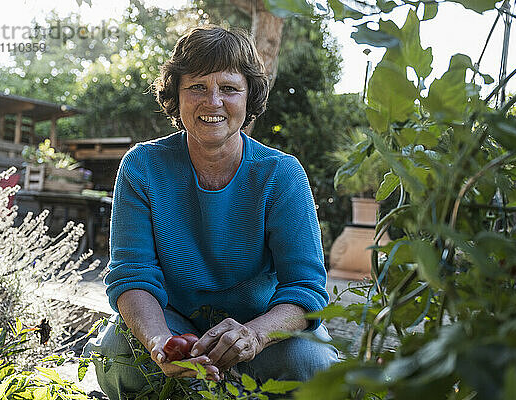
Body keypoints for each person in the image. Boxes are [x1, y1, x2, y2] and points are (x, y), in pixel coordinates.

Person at [84, 25, 338, 399]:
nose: (212, 101)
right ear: (177, 95)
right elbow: (132, 276)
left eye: (229, 89)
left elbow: (305, 286)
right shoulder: (142, 167)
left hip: (260, 326)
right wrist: (158, 341)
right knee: (116, 357)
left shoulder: (281, 174)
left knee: (312, 367)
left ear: (249, 96)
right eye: (197, 87)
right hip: (174, 322)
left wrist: (254, 336)